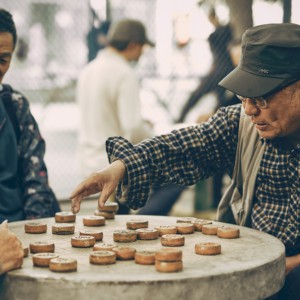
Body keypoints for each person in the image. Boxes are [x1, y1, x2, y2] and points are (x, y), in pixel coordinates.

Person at [71, 23, 300, 299]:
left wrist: (293, 266)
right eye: (243, 96)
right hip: (256, 272)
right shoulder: (240, 124)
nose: (250, 109)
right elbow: (184, 147)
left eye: (261, 97)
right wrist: (122, 166)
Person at [77, 18, 185, 214]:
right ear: (133, 45)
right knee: (176, 179)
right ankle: (142, 224)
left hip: (88, 160)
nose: (143, 53)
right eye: (142, 47)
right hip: (113, 165)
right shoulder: (124, 73)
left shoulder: (88, 70)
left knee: (116, 217)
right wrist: (159, 142)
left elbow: (106, 115)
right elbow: (133, 127)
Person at [0, 8, 60, 223]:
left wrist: (32, 235)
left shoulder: (15, 107)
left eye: (3, 60)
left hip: (19, 232)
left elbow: (36, 181)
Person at [177, 7, 238, 124]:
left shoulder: (224, 31)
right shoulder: (219, 33)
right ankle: (181, 117)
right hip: (222, 69)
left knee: (212, 97)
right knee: (215, 97)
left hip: (223, 70)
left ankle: (182, 117)